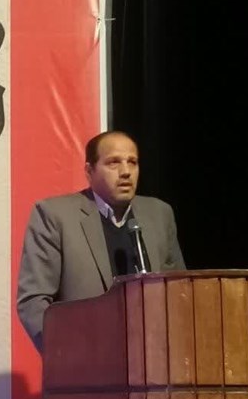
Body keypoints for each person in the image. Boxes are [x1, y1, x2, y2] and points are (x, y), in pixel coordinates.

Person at [16, 130, 186, 351]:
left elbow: (179, 292)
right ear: (89, 171)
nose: (126, 172)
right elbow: (33, 302)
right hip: (85, 359)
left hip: (154, 358)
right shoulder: (55, 216)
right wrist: (66, 354)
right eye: (113, 163)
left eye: (132, 162)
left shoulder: (159, 214)